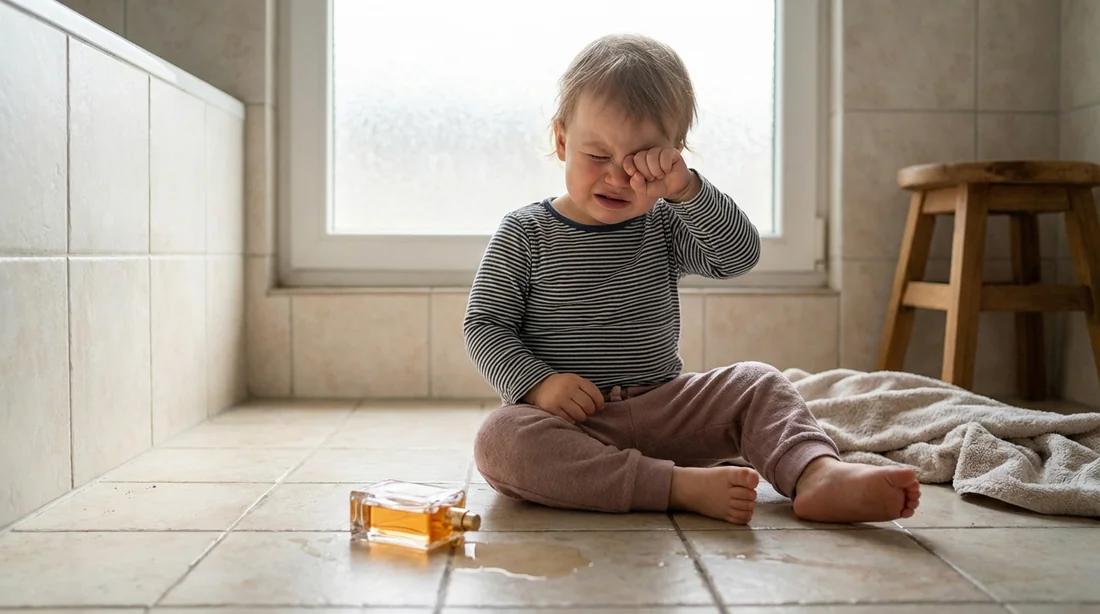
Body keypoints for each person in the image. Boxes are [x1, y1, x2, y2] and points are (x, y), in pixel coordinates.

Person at [463, 33, 920, 524]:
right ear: (560, 141)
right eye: (598, 156)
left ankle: (817, 474)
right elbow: (485, 326)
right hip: (572, 424)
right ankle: (675, 486)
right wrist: (538, 385)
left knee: (759, 381)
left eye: (641, 161)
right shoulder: (526, 232)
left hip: (667, 409)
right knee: (500, 441)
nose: (617, 177)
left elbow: (738, 255)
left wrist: (687, 190)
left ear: (674, 155)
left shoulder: (664, 221)